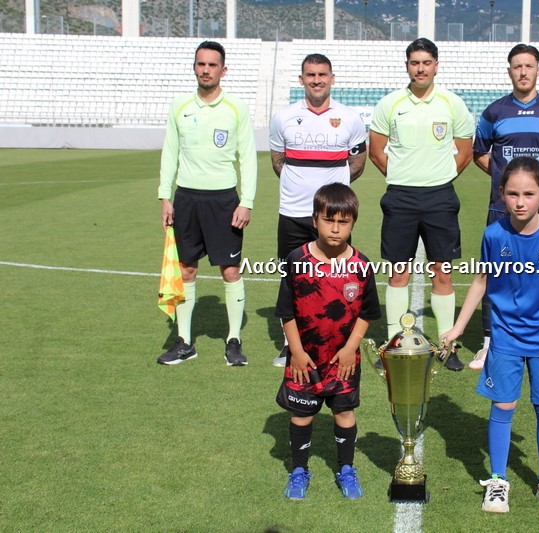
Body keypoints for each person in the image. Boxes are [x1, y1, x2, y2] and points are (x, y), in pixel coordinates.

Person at [442, 157, 539, 513]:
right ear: (502, 194)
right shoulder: (493, 235)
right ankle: (498, 480)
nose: (520, 202)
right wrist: (459, 327)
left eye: (528, 194)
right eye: (513, 194)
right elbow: (481, 281)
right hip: (505, 335)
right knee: (503, 406)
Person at [368, 38, 474, 371]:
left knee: (443, 273)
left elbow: (465, 152)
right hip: (400, 197)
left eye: (426, 62)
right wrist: (403, 177)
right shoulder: (390, 104)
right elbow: (376, 151)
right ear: (407, 66)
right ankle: (393, 344)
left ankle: (447, 345)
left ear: (436, 65)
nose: (421, 68)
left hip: (440, 197)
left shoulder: (452, 103)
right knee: (398, 272)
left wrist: (438, 178)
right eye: (415, 62)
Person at [275, 183, 381, 500]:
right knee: (301, 415)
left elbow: (367, 313)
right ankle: (298, 470)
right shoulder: (297, 260)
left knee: (344, 414)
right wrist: (296, 351)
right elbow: (286, 312)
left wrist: (351, 348)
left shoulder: (361, 266)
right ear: (314, 220)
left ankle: (346, 468)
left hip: (343, 361)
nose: (335, 229)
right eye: (328, 220)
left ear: (353, 223)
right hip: (304, 360)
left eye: (343, 222)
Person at [471, 43, 539, 370]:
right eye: (517, 66)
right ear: (509, 71)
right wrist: (507, 182)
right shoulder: (494, 113)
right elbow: (479, 153)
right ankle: (489, 344)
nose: (523, 72)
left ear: (538, 70)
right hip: (502, 209)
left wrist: (536, 188)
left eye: (529, 66)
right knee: (496, 274)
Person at [156, 40, 257, 367]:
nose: (206, 70)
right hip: (186, 198)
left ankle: (233, 341)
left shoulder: (236, 108)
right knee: (186, 269)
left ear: (223, 70)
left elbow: (248, 157)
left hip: (224, 200)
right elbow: (170, 151)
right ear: (194, 67)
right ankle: (185, 342)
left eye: (212, 65)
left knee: (230, 270)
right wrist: (165, 195)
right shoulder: (180, 105)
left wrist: (246, 201)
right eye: (201, 64)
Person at [269, 53, 368, 368]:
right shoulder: (283, 118)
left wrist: (332, 195)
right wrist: (299, 187)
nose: (316, 80)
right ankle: (291, 345)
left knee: (337, 275)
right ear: (301, 79)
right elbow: (277, 161)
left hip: (333, 215)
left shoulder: (350, 118)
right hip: (293, 212)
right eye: (310, 75)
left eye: (322, 74)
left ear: (332, 78)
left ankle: (336, 340)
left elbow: (358, 162)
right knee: (293, 278)